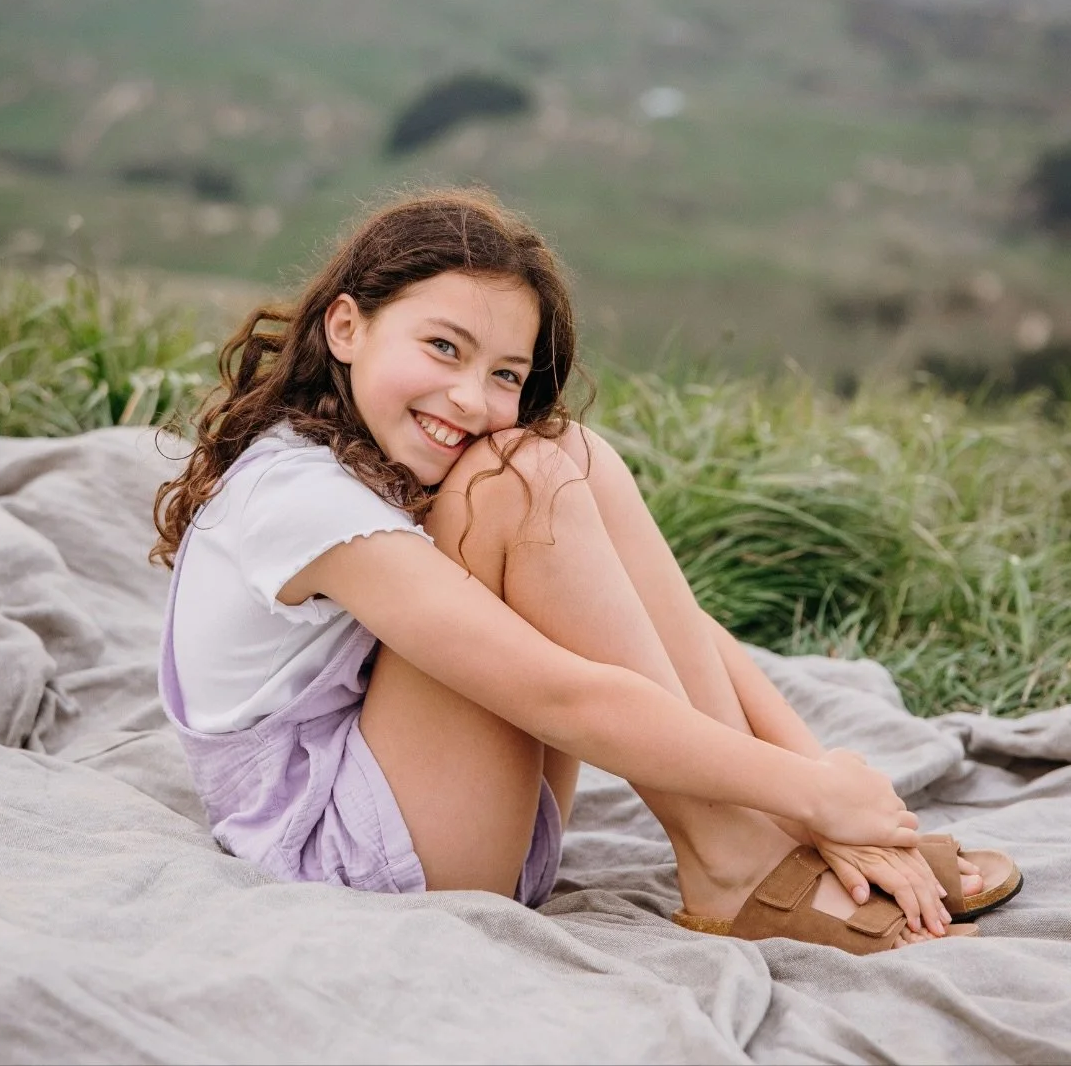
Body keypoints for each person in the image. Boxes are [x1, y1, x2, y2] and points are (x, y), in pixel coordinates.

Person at [153, 188, 1020, 955]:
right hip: (358, 859)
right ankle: (734, 860)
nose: (469, 399)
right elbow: (559, 696)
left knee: (563, 450)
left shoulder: (384, 449)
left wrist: (841, 802)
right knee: (514, 480)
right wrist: (814, 794)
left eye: (503, 374)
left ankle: (756, 842)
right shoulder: (297, 495)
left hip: (461, 818)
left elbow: (671, 617)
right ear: (347, 326)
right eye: (443, 347)